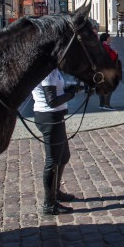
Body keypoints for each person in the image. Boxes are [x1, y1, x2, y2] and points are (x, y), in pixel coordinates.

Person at [32, 68, 84, 216]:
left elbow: (57, 89)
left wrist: (72, 87)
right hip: (49, 117)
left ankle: (55, 192)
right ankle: (49, 204)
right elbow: (52, 101)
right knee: (53, 161)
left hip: (55, 117)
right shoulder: (47, 72)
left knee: (63, 156)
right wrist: (72, 94)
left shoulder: (54, 70)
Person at [97, 33, 117, 110]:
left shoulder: (100, 46)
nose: (110, 40)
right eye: (109, 38)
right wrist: (115, 53)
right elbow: (109, 57)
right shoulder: (105, 46)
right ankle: (106, 105)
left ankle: (101, 104)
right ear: (105, 39)